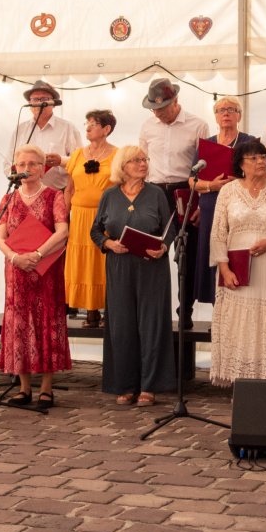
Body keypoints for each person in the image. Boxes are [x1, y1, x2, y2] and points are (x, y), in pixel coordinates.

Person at [208, 140, 266, 386]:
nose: (261, 161)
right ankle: (243, 382)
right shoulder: (228, 191)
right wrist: (224, 268)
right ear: (241, 164)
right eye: (253, 158)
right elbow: (217, 233)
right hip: (237, 271)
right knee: (240, 325)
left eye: (263, 157)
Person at [91, 145, 176, 406]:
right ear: (123, 166)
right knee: (121, 325)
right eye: (137, 160)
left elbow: (169, 228)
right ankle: (125, 385)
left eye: (145, 159)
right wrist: (109, 244)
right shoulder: (109, 195)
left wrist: (163, 247)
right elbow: (95, 231)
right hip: (119, 266)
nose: (143, 164)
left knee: (151, 325)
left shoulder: (157, 194)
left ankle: (150, 386)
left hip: (151, 267)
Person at [0, 144, 70, 409]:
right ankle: (24, 387)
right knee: (18, 323)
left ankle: (46, 388)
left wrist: (37, 254)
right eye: (22, 164)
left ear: (42, 168)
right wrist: (15, 258)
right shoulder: (8, 199)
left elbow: (62, 231)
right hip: (16, 271)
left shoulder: (54, 196)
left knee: (45, 320)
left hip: (45, 270)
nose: (26, 169)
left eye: (32, 164)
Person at [137, 77, 209, 331]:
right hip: (154, 191)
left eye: (163, 108)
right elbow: (142, 163)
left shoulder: (198, 125)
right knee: (150, 251)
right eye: (154, 109)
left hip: (184, 191)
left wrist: (200, 203)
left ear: (176, 102)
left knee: (185, 253)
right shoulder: (147, 126)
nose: (158, 113)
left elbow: (205, 165)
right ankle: (151, 310)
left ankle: (185, 309)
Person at [192, 96, 254, 307]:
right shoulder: (206, 144)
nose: (226, 113)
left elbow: (260, 176)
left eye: (231, 109)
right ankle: (217, 312)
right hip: (211, 206)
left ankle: (238, 309)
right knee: (213, 255)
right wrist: (211, 185)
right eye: (221, 110)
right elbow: (192, 180)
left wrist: (237, 180)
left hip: (240, 208)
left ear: (239, 115)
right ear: (216, 117)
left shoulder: (250, 142)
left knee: (236, 254)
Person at [64, 110, 117, 329]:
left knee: (103, 261)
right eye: (87, 123)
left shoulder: (117, 154)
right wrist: (64, 217)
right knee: (83, 263)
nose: (88, 127)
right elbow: (69, 188)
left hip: (105, 216)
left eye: (94, 123)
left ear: (106, 129)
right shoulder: (77, 154)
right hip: (79, 216)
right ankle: (90, 310)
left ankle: (109, 309)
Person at [5, 80, 82, 191]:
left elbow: (80, 161)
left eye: (45, 99)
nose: (40, 103)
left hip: (58, 193)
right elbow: (8, 162)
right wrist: (17, 175)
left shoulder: (68, 128)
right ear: (29, 103)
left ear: (54, 103)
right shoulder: (20, 129)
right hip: (25, 193)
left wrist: (60, 161)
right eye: (35, 99)